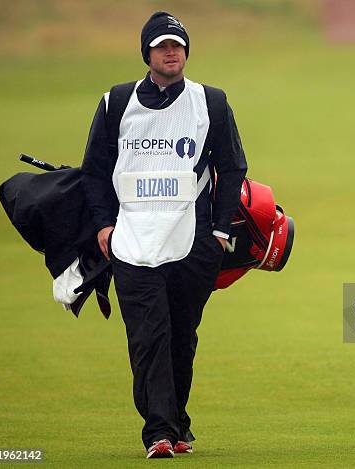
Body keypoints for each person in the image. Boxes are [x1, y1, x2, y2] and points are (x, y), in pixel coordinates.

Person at [81, 11, 247, 458]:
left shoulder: (209, 101)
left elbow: (232, 168)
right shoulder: (117, 102)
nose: (171, 52)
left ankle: (177, 423)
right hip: (131, 239)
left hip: (193, 241)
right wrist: (103, 224)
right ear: (147, 54)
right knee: (147, 335)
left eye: (177, 45)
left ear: (186, 52)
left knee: (180, 335)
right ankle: (158, 430)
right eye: (161, 46)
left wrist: (218, 232)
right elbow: (94, 170)